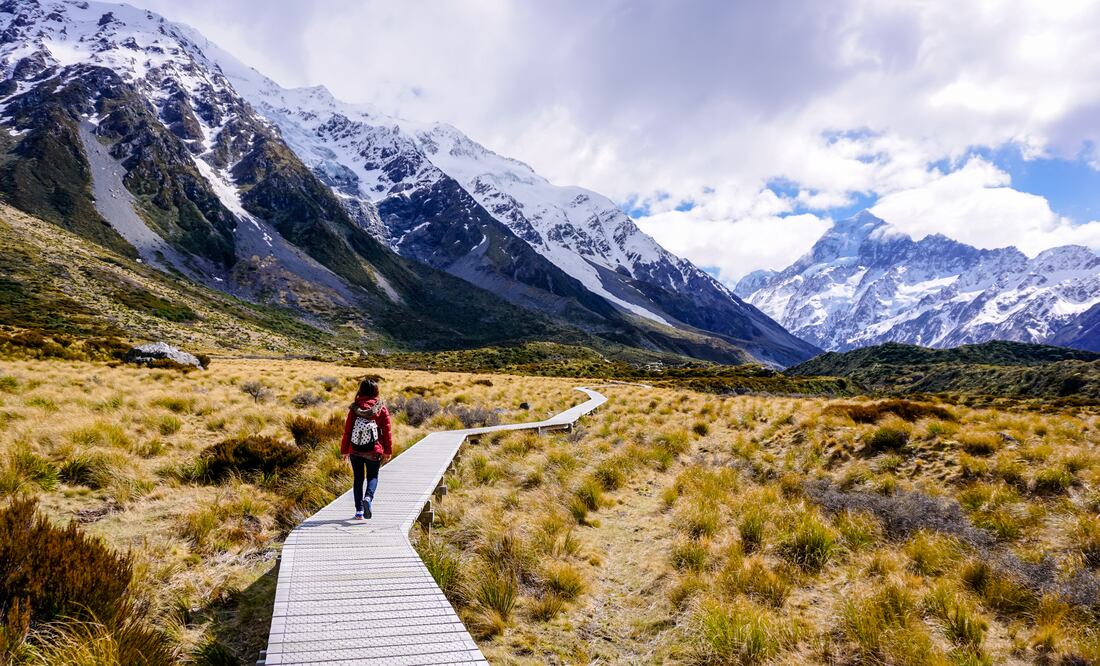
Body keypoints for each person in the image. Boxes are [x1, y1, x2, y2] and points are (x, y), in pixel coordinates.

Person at [340, 379, 392, 520]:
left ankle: (359, 512)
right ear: (376, 391)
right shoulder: (381, 408)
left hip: (355, 449)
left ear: (361, 390)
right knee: (372, 477)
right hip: (373, 450)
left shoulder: (355, 408)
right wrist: (388, 451)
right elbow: (387, 431)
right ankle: (368, 498)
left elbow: (348, 431)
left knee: (358, 479)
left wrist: (345, 450)